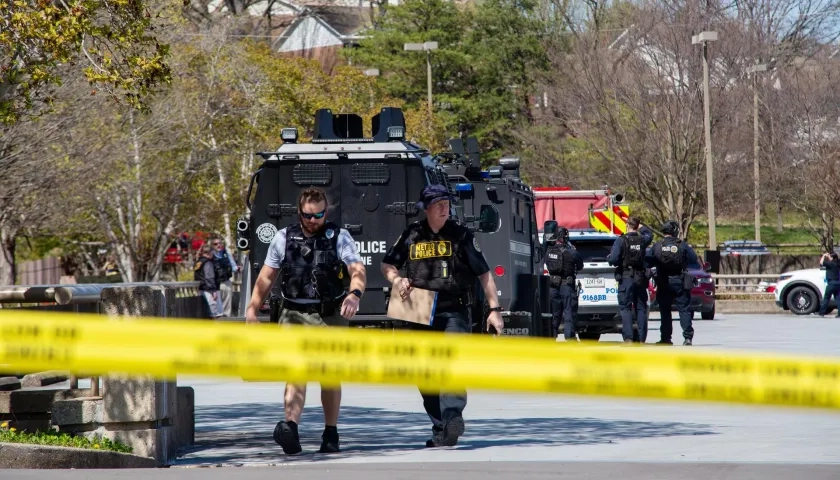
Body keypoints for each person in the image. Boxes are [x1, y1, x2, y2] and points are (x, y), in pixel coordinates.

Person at [380, 184, 504, 448]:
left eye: (446, 203)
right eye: (437, 204)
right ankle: (442, 428)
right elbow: (387, 264)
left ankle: (452, 417)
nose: (443, 208)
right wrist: (397, 279)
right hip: (418, 309)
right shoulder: (412, 234)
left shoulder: (461, 235)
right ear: (426, 208)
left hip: (453, 309)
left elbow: (484, 273)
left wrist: (494, 310)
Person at [244, 188, 367, 455]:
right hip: (293, 314)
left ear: (326, 211)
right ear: (300, 212)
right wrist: (252, 308)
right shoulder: (283, 238)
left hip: (329, 315)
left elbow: (357, 270)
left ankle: (330, 432)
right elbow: (266, 277)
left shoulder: (339, 237)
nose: (314, 220)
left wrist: (355, 294)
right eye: (309, 215)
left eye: (319, 214)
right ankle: (291, 428)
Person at [645, 220, 698, 346]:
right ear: (674, 231)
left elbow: (648, 262)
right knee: (684, 310)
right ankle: (687, 337)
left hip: (663, 282)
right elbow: (693, 259)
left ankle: (666, 338)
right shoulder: (682, 245)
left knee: (665, 311)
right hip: (680, 281)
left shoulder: (657, 246)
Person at [607, 216, 653, 343]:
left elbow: (614, 259)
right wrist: (641, 227)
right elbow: (650, 234)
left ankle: (628, 338)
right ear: (637, 226)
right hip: (640, 277)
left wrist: (610, 258)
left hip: (626, 276)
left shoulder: (621, 241)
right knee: (641, 307)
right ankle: (642, 338)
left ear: (627, 225)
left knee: (625, 308)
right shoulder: (643, 239)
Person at [544, 226, 584, 340]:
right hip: (567, 285)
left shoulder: (549, 251)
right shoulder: (572, 252)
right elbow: (580, 266)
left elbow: (547, 264)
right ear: (565, 237)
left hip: (553, 286)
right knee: (568, 312)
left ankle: (552, 337)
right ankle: (569, 338)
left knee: (555, 313)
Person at [194, 244, 223, 318]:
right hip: (209, 289)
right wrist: (213, 291)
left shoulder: (199, 262)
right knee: (216, 312)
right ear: (210, 252)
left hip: (202, 288)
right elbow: (209, 277)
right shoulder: (208, 263)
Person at [817, 251, 840, 317]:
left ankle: (822, 312)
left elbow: (821, 263)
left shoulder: (830, 264)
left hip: (831, 283)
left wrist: (824, 256)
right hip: (838, 283)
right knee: (838, 299)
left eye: (829, 256)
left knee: (826, 298)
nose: (828, 257)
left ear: (832, 258)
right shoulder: (838, 263)